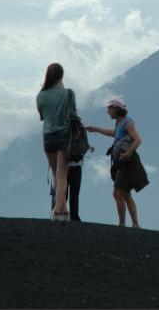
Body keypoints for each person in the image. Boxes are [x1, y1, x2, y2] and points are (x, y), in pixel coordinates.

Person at [86, 97, 148, 228]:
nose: (108, 111)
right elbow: (114, 133)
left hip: (126, 162)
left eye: (109, 108)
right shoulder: (120, 123)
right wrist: (96, 129)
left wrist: (128, 153)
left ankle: (122, 224)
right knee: (125, 194)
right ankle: (135, 224)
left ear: (116, 108)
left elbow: (138, 139)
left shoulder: (127, 122)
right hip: (122, 163)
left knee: (118, 193)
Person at [36, 62, 75, 222]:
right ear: (61, 76)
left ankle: (65, 211)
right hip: (64, 135)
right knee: (62, 175)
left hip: (48, 136)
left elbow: (42, 116)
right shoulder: (69, 94)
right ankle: (58, 211)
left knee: (55, 174)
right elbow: (73, 113)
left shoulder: (41, 95)